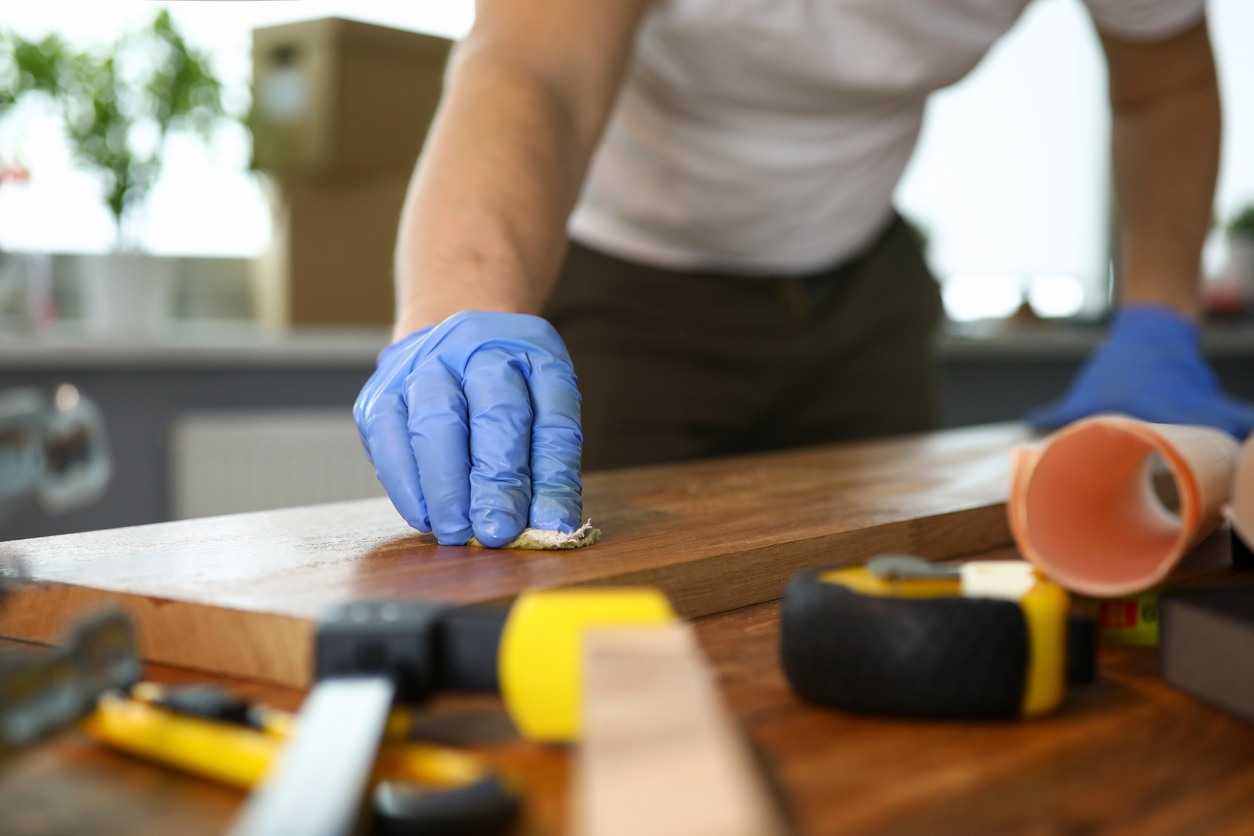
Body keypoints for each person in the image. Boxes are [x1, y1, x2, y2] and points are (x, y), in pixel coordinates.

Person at [355, 0, 1254, 548]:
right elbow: (530, 65)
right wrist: (453, 314)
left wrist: (1157, 322)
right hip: (624, 289)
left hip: (867, 291)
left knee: (888, 584)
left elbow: (1164, 85)